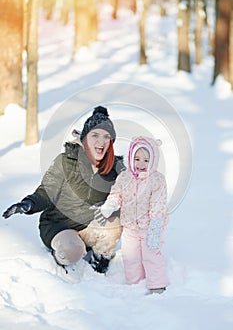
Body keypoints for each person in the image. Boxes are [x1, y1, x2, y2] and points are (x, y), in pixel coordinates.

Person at [2, 106, 125, 274]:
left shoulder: (115, 171)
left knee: (114, 222)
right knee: (72, 251)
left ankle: (99, 261)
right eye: (95, 135)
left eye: (106, 137)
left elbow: (128, 197)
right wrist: (28, 204)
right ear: (85, 138)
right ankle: (64, 250)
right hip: (58, 225)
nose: (101, 141)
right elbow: (47, 190)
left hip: (88, 227)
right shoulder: (66, 161)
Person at [93, 136, 169, 293]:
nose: (141, 164)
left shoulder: (157, 180)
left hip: (150, 227)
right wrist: (111, 204)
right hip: (129, 227)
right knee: (131, 258)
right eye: (137, 158)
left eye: (146, 160)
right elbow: (117, 193)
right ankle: (134, 284)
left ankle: (157, 285)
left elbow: (158, 205)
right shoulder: (124, 177)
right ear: (130, 158)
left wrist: (155, 227)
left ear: (153, 161)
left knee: (151, 255)